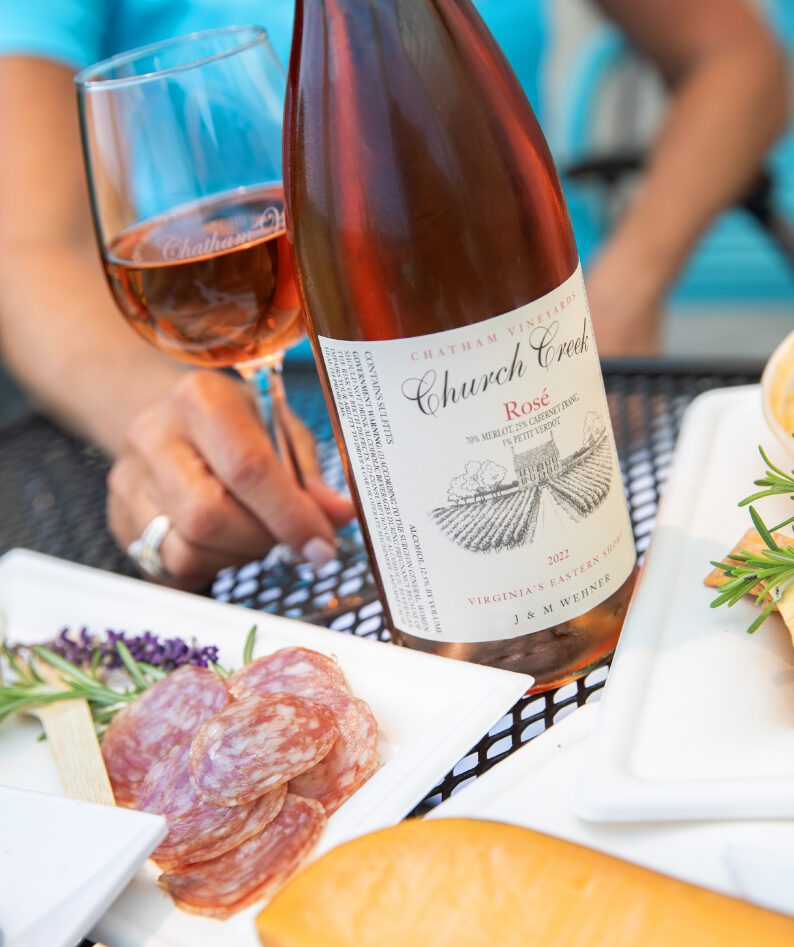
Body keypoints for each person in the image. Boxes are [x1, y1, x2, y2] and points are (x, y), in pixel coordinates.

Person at [0, 1, 787, 589]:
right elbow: (26, 247)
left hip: (569, 386)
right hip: (290, 447)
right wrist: (177, 424)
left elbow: (736, 57)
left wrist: (629, 282)